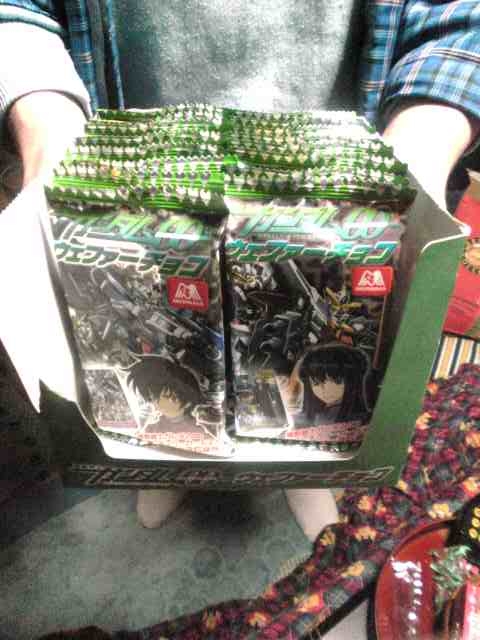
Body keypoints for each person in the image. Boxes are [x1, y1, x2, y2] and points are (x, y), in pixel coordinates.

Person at [0, 1, 479, 540]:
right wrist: (48, 131)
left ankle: (309, 461)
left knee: (292, 359)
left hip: (329, 193)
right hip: (151, 193)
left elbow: (458, 17)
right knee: (179, 347)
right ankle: (169, 456)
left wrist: (417, 150)